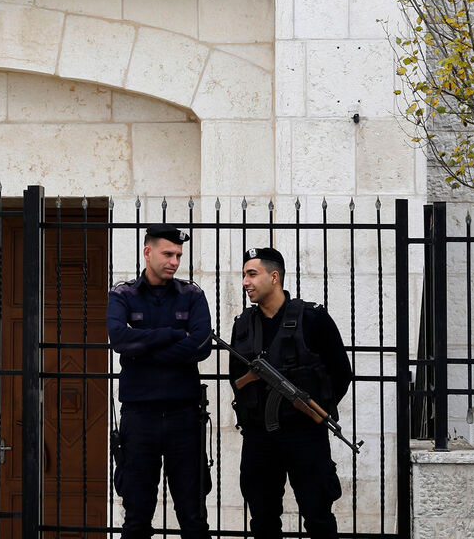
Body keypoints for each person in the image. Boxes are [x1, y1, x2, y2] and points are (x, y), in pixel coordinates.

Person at [229, 247, 353, 539]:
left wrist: (311, 407)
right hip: (259, 436)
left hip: (305, 435)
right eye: (244, 275)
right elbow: (235, 378)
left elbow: (341, 373)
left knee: (318, 517)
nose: (245, 282)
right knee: (263, 519)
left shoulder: (313, 318)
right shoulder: (243, 325)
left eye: (252, 274)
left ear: (274, 277)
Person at [106, 224, 213, 539]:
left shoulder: (192, 294)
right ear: (147, 252)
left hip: (184, 414)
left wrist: (144, 352)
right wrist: (174, 335)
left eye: (178, 255)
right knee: (137, 518)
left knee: (193, 517)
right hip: (140, 417)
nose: (174, 261)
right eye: (168, 253)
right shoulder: (122, 294)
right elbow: (120, 339)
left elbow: (202, 345)